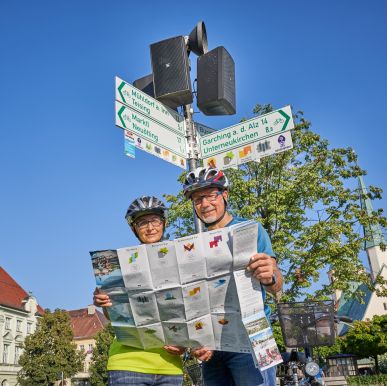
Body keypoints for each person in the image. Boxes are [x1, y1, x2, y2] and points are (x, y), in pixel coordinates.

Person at [182, 166, 283, 386]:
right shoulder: (192, 246)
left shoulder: (252, 229)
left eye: (210, 195)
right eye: (197, 199)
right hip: (214, 343)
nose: (205, 204)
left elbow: (277, 286)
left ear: (225, 195)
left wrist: (271, 276)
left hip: (254, 333)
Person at [93, 196, 184, 386]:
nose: (150, 227)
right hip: (128, 363)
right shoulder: (121, 264)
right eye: (142, 223)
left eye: (154, 220)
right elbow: (112, 316)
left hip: (171, 366)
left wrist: (185, 345)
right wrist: (103, 302)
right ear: (134, 228)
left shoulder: (181, 261)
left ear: (164, 223)